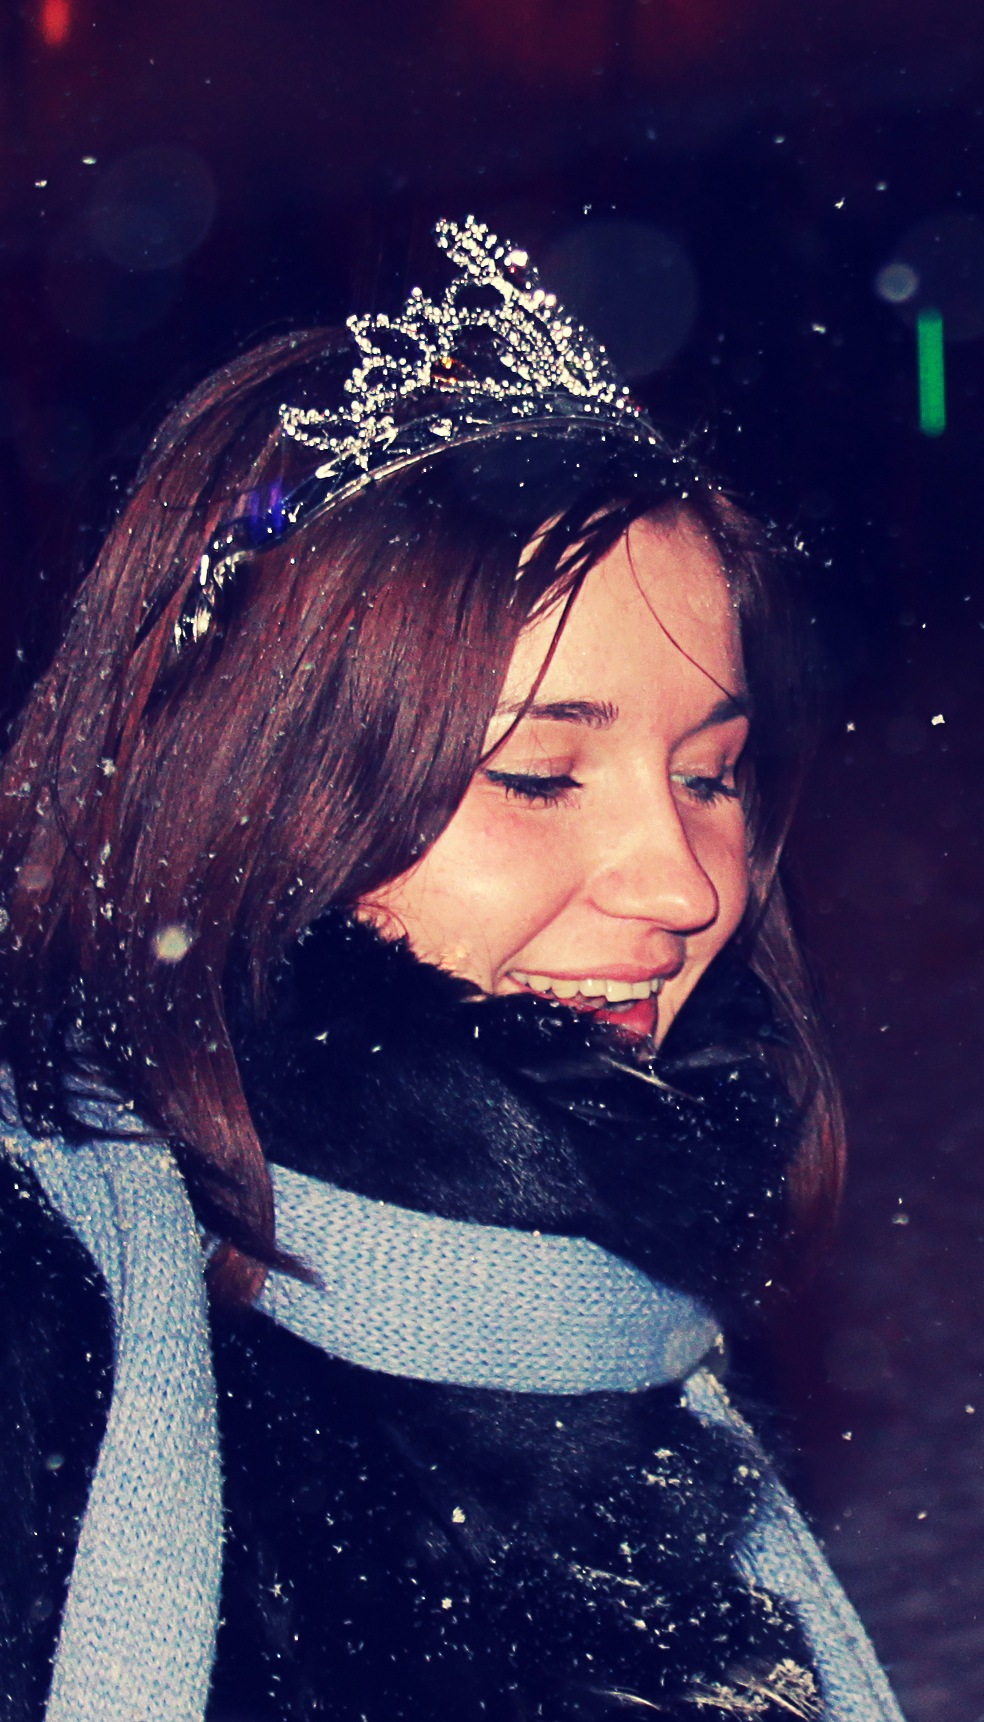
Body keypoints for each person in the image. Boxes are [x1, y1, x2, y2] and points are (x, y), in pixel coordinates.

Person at [0, 218, 905, 1722]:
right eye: (540, 776)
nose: (686, 884)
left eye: (709, 773)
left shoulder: (609, 1321)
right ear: (259, 795)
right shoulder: (56, 1355)